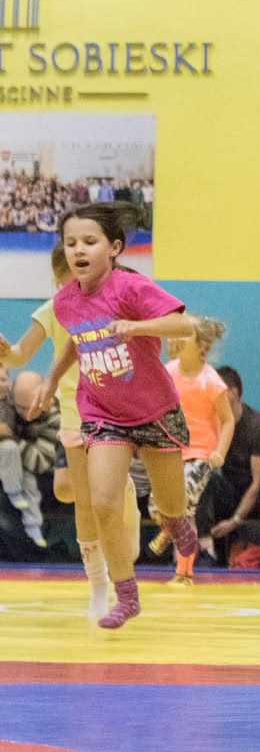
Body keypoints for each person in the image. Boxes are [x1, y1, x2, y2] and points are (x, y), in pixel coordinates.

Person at [28, 203, 200, 629]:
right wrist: (50, 380)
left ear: (115, 248)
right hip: (103, 412)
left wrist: (137, 327)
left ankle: (175, 521)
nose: (78, 250)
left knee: (168, 504)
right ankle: (126, 596)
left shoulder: (130, 288)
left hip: (154, 410)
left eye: (89, 242)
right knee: (103, 502)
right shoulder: (66, 301)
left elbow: (186, 326)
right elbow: (77, 340)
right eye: (71, 243)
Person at [1, 245, 139, 608]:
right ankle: (97, 585)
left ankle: (119, 557)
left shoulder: (112, 303)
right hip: (75, 414)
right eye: (68, 278)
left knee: (104, 500)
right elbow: (19, 354)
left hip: (114, 412)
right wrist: (6, 351)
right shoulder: (52, 310)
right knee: (83, 502)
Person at [158, 318, 234, 581]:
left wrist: (220, 452)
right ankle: (184, 568)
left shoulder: (211, 381)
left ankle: (182, 571)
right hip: (172, 453)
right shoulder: (168, 373)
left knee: (184, 504)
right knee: (167, 509)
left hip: (202, 454)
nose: (176, 338)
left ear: (201, 346)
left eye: (184, 335)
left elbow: (227, 420)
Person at [201, 366, 260, 568]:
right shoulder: (214, 426)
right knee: (203, 477)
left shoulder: (259, 427)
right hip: (232, 494)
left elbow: (258, 483)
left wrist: (234, 521)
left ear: (232, 393)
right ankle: (205, 551)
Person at [0, 366, 46, 549]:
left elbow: (25, 431)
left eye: (4, 380)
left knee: (29, 483)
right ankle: (13, 491)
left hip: (11, 463)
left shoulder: (13, 403)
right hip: (7, 454)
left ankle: (34, 528)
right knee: (9, 447)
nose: (1, 385)